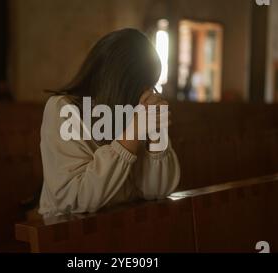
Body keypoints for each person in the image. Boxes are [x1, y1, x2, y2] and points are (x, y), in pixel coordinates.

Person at [38, 28, 180, 218]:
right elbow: (74, 198)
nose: (148, 94)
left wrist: (157, 134)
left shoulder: (134, 109)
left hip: (123, 225)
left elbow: (157, 190)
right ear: (119, 83)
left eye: (151, 85)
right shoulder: (63, 109)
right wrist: (133, 133)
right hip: (66, 232)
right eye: (143, 85)